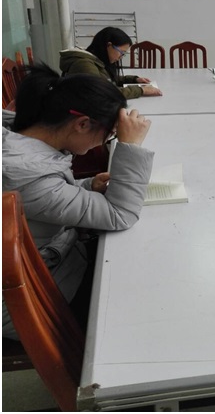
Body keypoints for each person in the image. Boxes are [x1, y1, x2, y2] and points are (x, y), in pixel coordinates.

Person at [2, 64, 154, 339]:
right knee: (141, 294)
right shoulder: (28, 175)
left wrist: (85, 186)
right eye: (110, 135)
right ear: (82, 124)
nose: (105, 142)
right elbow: (120, 215)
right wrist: (130, 147)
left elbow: (40, 202)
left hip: (44, 263)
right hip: (26, 300)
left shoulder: (19, 143)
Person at [60, 27, 162, 99]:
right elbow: (104, 93)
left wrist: (134, 79)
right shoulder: (84, 64)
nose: (121, 57)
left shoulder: (96, 59)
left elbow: (105, 79)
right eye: (121, 52)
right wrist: (141, 90)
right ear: (109, 45)